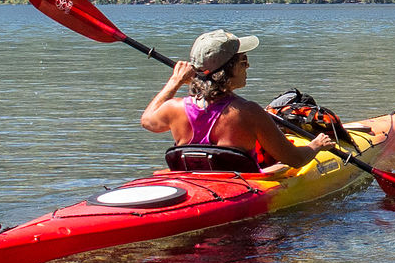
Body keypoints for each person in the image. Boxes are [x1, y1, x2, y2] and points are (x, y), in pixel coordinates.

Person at [140, 29, 333, 177]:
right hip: (239, 192)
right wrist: (316, 145)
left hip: (194, 185)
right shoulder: (248, 112)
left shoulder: (174, 108)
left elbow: (147, 121)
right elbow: (296, 159)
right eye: (243, 60)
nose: (248, 65)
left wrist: (175, 81)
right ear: (228, 69)